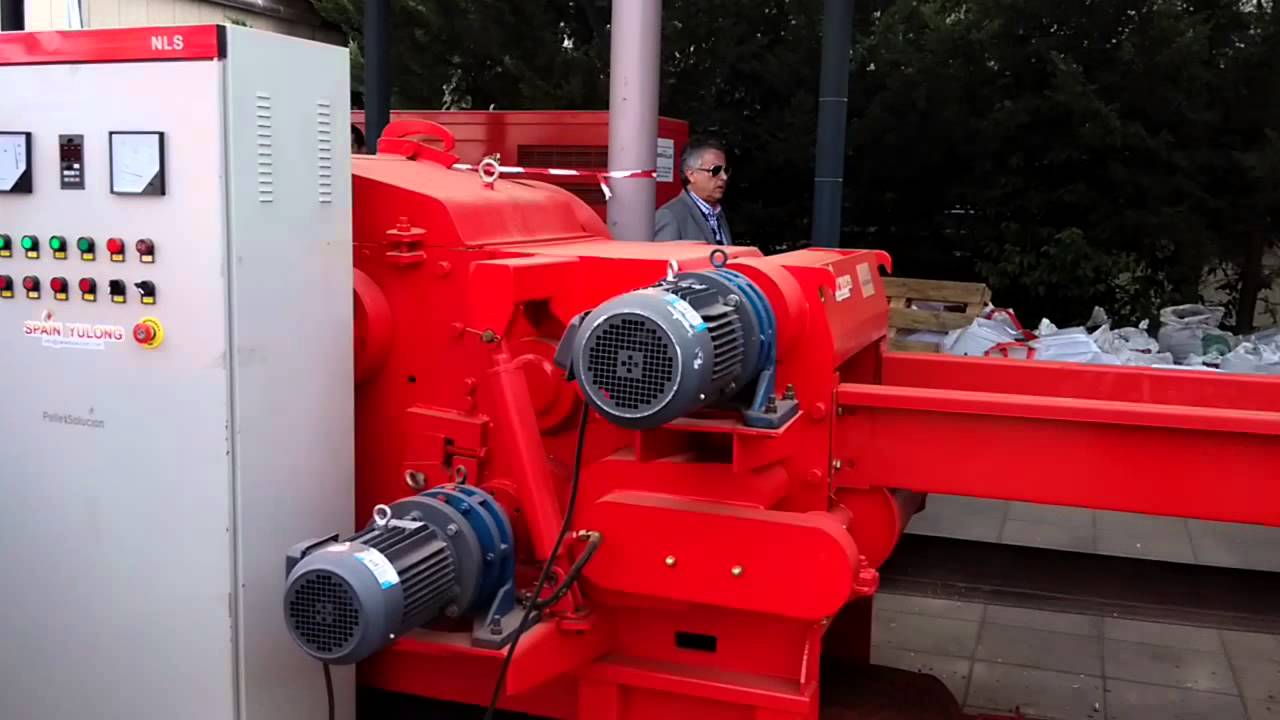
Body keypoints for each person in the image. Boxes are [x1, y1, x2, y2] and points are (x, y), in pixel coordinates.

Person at [654, 137, 733, 244]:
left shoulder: (718, 213)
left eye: (726, 170)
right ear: (691, 174)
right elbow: (664, 259)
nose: (724, 177)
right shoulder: (670, 216)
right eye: (716, 170)